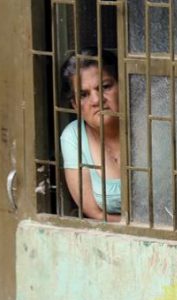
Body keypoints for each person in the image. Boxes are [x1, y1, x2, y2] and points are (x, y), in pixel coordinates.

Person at [60, 47, 121, 222]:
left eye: (105, 87)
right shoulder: (74, 137)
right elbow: (94, 213)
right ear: (74, 105)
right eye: (84, 95)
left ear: (122, 85)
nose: (96, 100)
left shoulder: (146, 124)